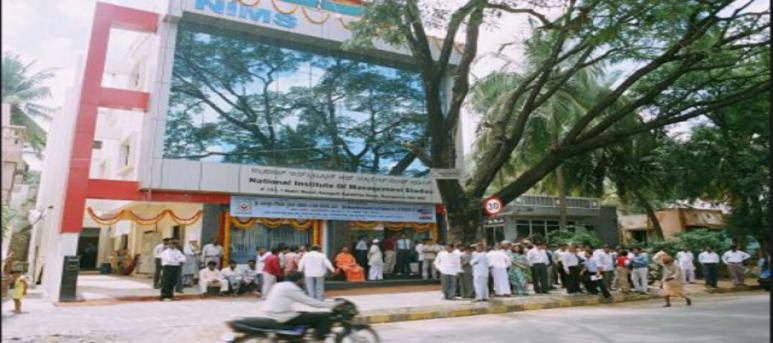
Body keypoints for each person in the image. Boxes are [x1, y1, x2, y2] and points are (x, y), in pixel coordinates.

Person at [260, 271, 336, 342]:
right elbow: (309, 302)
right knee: (325, 316)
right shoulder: (291, 288)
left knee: (306, 314)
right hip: (283, 316)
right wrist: (332, 304)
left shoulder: (279, 284)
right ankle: (318, 339)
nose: (303, 281)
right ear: (298, 280)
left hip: (272, 313)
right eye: (302, 279)